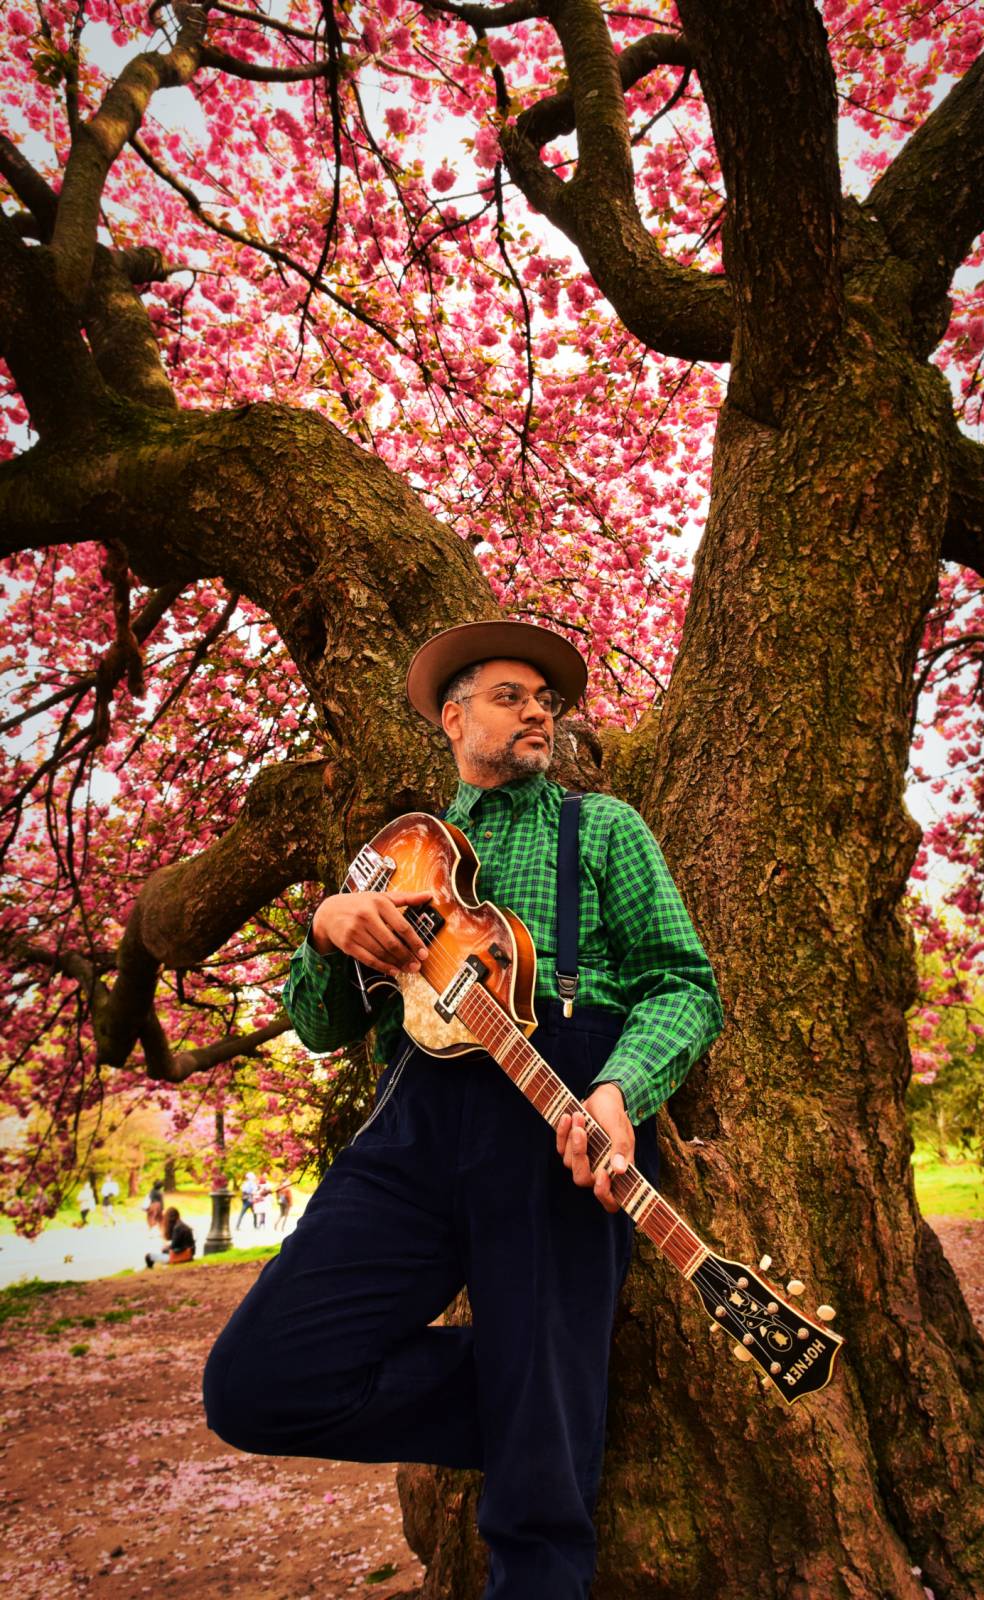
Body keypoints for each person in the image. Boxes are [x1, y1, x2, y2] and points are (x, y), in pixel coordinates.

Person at [204, 620, 724, 1599]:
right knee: (256, 1383)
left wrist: (618, 1092)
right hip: (410, 1126)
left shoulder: (602, 829)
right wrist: (324, 928)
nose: (539, 711)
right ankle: (547, 1402)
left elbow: (684, 988)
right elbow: (314, 1022)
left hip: (559, 1119)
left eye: (548, 700)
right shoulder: (388, 856)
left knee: (538, 1509)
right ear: (452, 716)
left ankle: (547, 1423)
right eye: (511, 694)